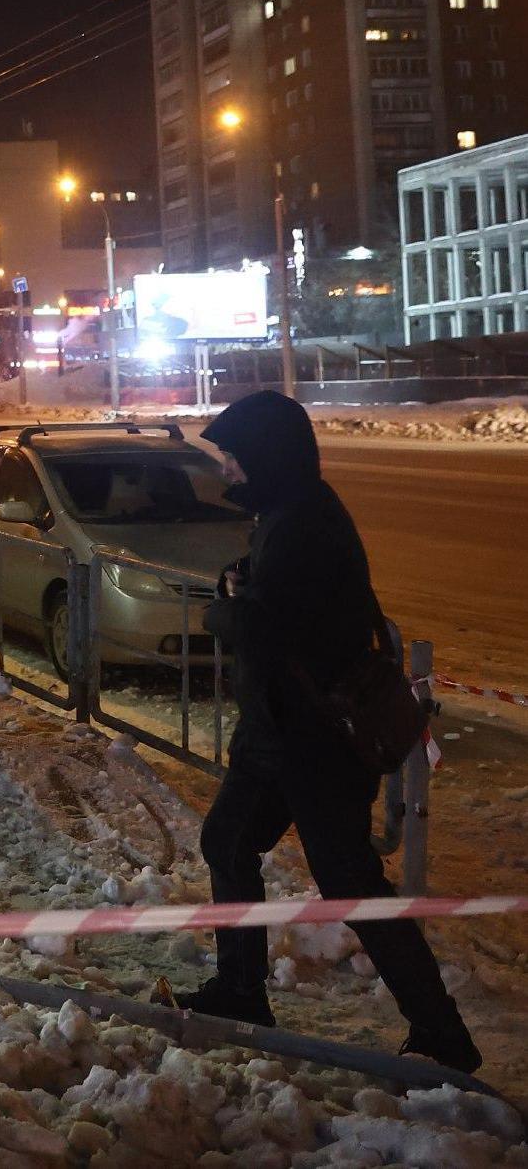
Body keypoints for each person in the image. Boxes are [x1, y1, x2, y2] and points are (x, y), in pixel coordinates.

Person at [189, 389, 480, 1072]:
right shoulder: (289, 512)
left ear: (267, 456)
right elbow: (282, 602)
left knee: (350, 881)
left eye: (234, 456)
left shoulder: (304, 524)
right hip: (280, 734)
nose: (227, 469)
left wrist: (222, 612)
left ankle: (442, 1033)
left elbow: (268, 625)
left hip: (315, 744)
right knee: (227, 840)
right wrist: (244, 580)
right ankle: (240, 990)